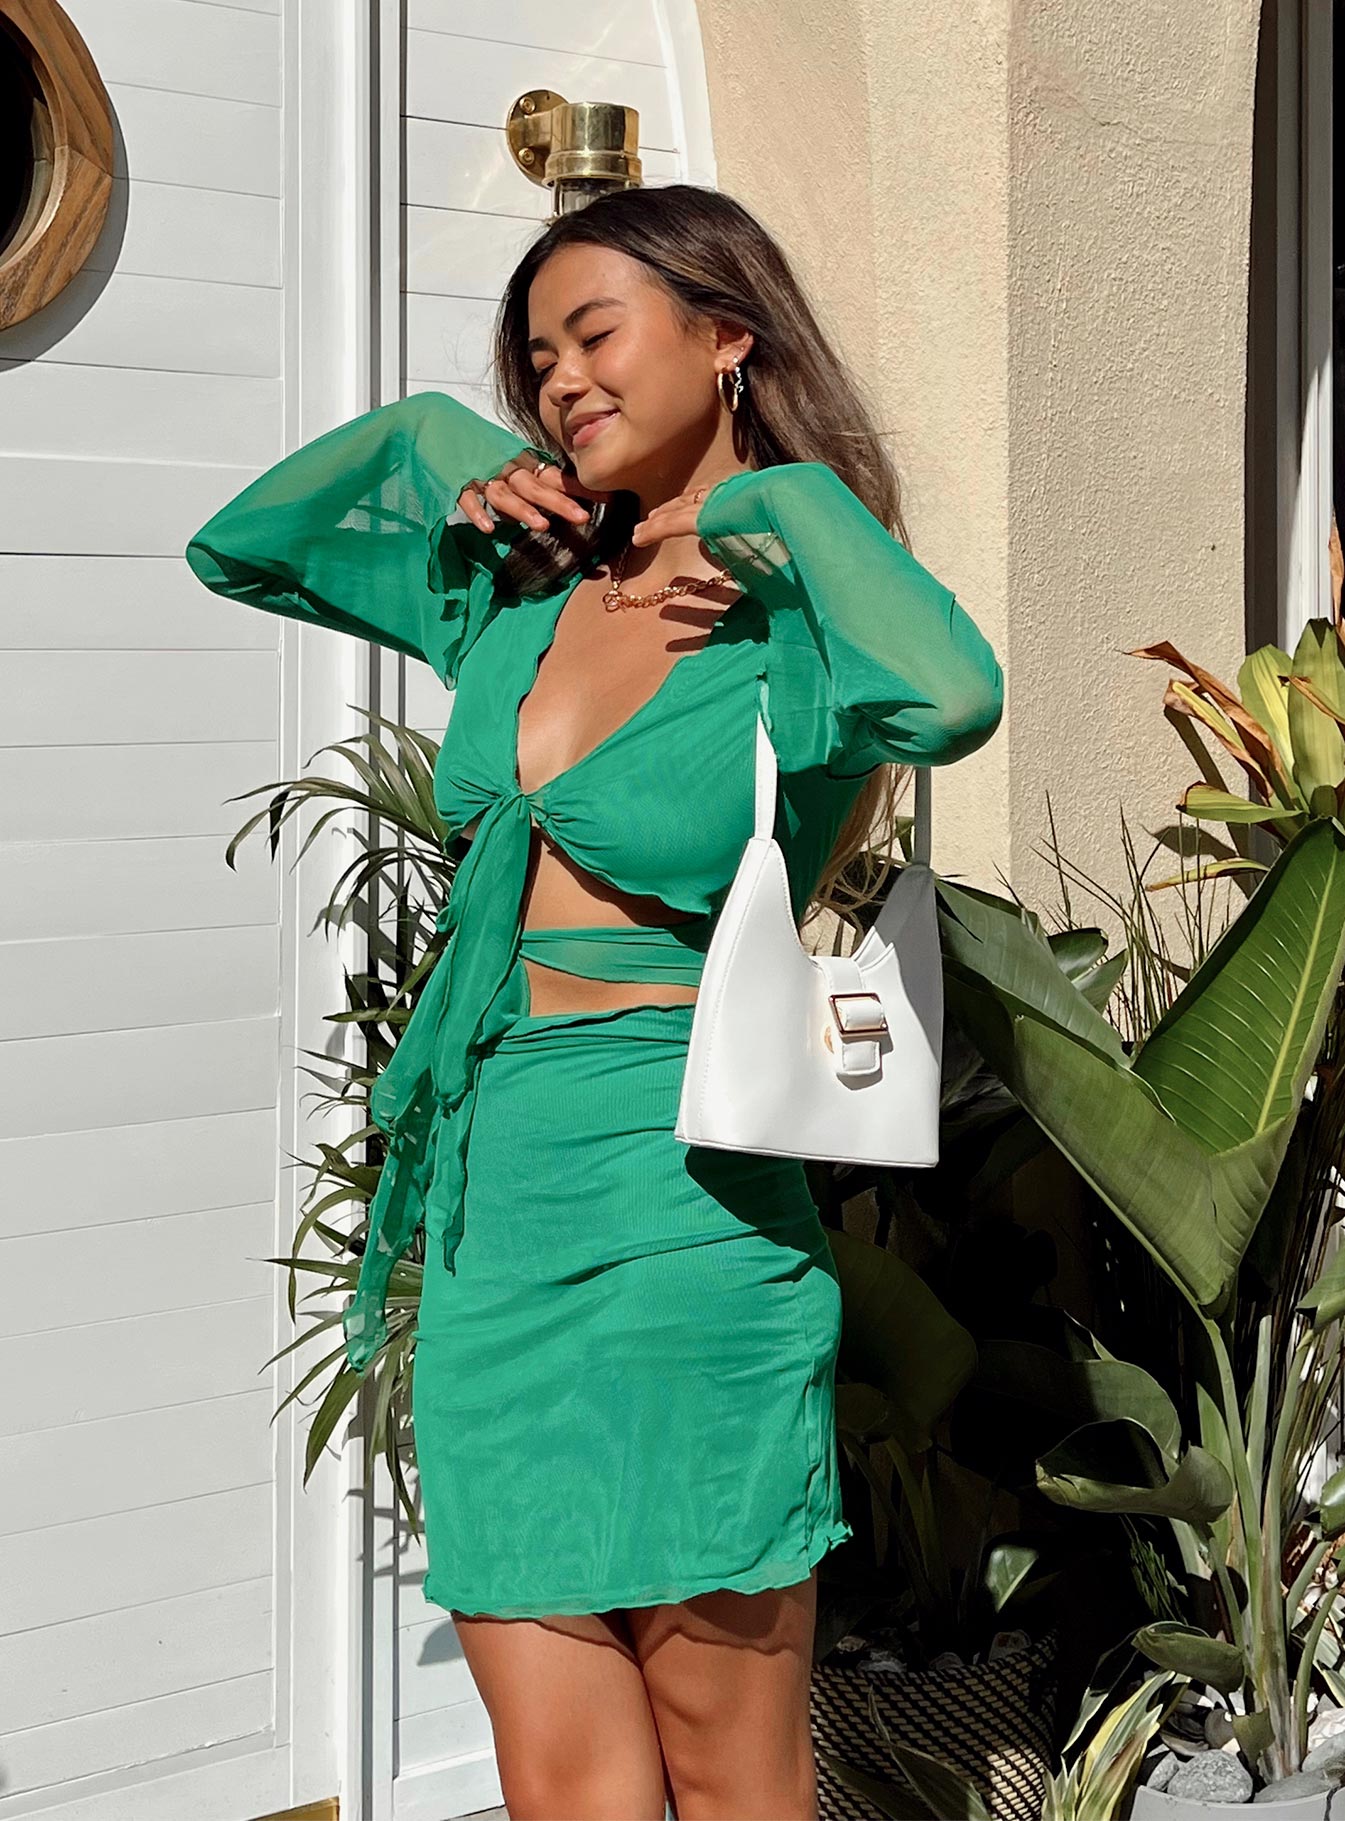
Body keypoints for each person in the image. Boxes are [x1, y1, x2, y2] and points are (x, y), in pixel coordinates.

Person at [184, 182, 1003, 1821]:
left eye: (593, 335)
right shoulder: (525, 586)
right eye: (536, 358)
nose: (560, 378)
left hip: (685, 1203)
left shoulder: (793, 615)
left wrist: (779, 514)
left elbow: (953, 693)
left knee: (726, 1766)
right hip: (491, 1209)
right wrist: (441, 451)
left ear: (726, 335)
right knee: (558, 1775)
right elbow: (244, 546)